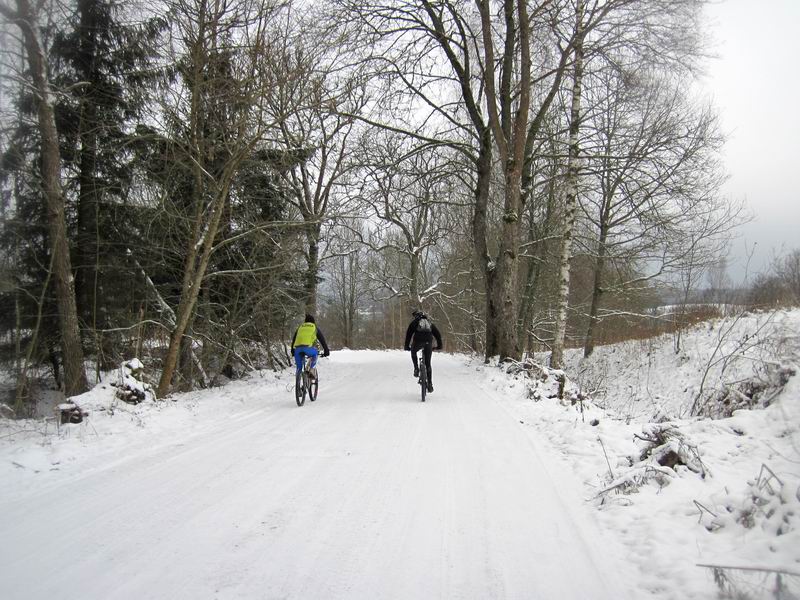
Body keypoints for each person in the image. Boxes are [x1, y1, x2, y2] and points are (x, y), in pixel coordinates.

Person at [404, 308, 443, 393]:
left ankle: (416, 368)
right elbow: (438, 335)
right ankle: (429, 384)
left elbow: (408, 335)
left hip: (417, 342)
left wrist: (406, 346)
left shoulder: (414, 323)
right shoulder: (429, 323)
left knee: (413, 352)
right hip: (428, 343)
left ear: (415, 316)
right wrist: (439, 346)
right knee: (428, 364)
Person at [291, 314, 330, 378]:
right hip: (308, 348)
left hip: (297, 349)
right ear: (313, 321)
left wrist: (292, 351)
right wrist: (326, 350)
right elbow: (322, 340)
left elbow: (294, 339)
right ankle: (311, 369)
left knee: (299, 368)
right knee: (315, 354)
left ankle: (298, 381)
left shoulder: (300, 327)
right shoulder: (314, 327)